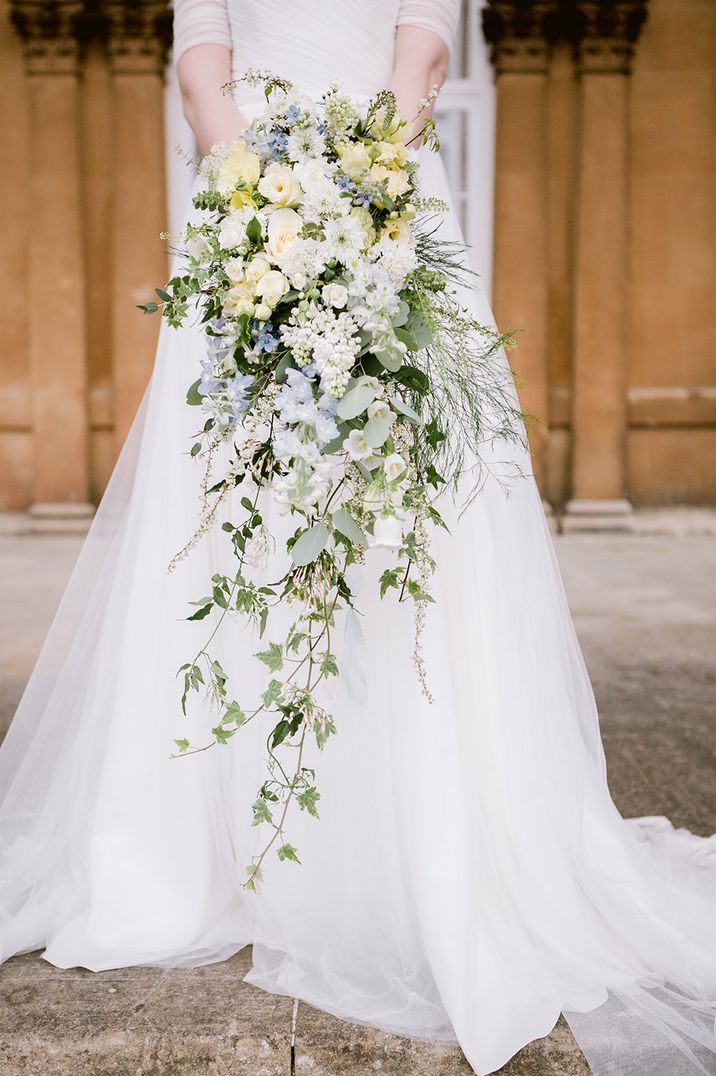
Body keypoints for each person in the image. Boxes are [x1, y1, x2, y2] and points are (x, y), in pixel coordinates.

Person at [0, 3, 714, 1074]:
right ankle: (212, 834)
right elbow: (202, 63)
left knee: (404, 518)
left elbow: (422, 49)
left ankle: (415, 832)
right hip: (248, 215)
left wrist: (355, 190)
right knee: (235, 516)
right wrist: (256, 196)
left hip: (386, 199)